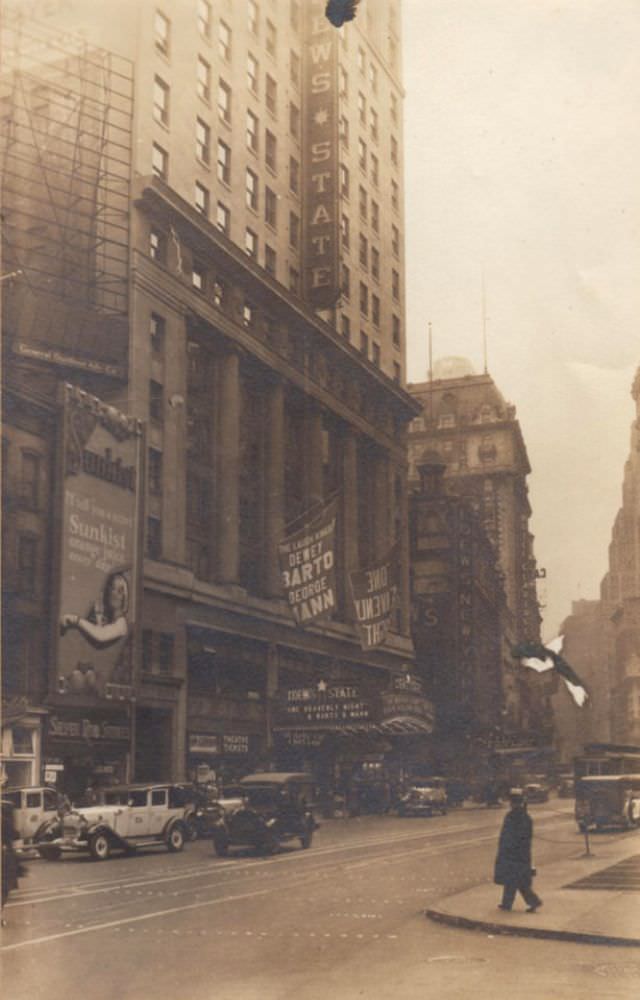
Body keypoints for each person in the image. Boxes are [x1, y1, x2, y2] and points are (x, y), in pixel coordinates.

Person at [494, 788, 543, 912]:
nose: (511, 804)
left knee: (515, 880)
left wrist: (507, 849)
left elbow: (513, 836)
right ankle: (508, 903)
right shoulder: (523, 816)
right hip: (519, 854)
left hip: (514, 853)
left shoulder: (515, 816)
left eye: (512, 802)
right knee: (515, 880)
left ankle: (532, 902)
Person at [60, 570, 129, 647]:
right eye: (112, 589)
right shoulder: (111, 620)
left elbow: (101, 635)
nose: (114, 594)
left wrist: (76, 620)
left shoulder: (121, 623)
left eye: (119, 591)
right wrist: (98, 615)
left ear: (124, 597)